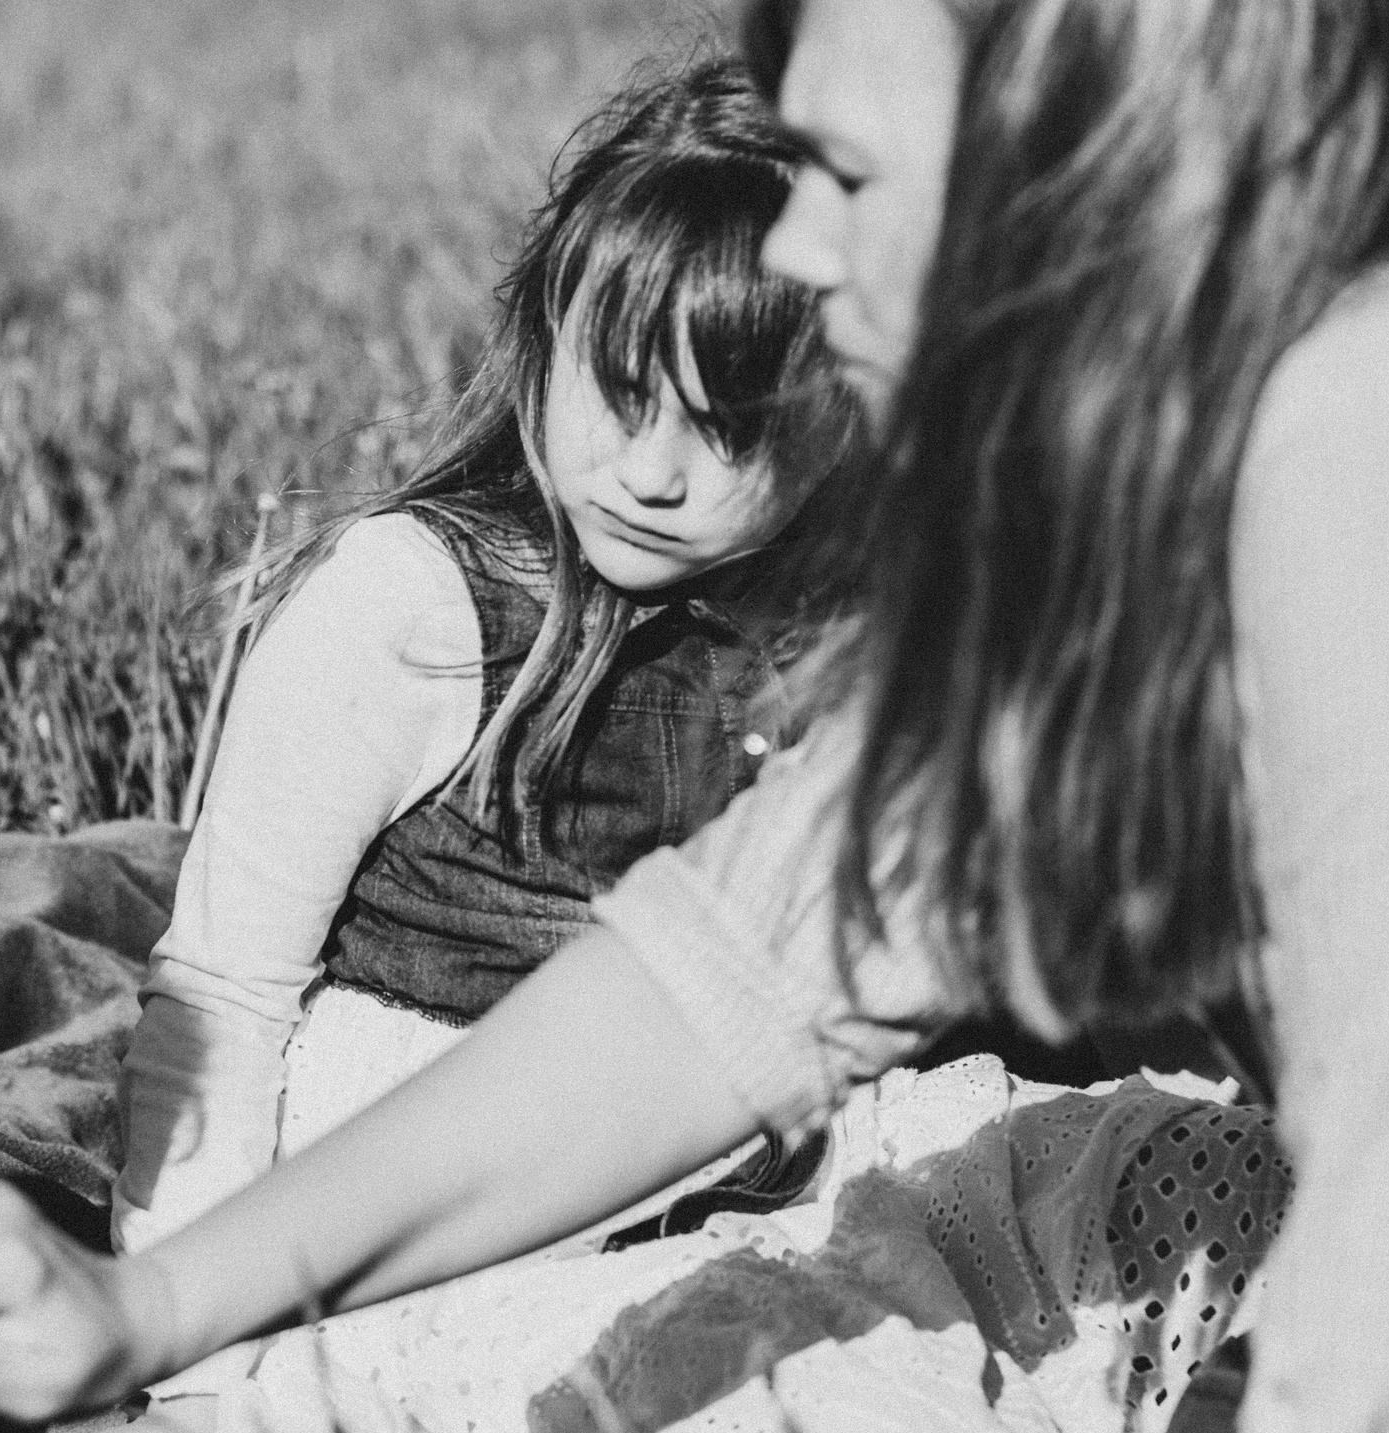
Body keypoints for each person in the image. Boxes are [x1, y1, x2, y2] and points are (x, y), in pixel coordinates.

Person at [0, 0, 1389, 1433]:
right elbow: (733, 984)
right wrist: (143, 1308)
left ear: (1080, 130)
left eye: (847, 173)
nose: (803, 252)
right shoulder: (1144, 500)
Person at [111, 53, 855, 1257]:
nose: (652, 473)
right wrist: (180, 1356)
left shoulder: (822, 637)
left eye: (725, 430)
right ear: (541, 334)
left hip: (725, 1184)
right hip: (417, 1208)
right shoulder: (417, 602)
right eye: (619, 390)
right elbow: (224, 997)